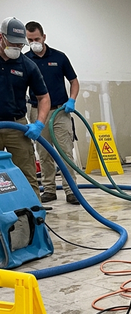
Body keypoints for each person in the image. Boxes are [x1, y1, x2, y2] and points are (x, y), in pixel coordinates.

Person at [25, 21, 80, 205]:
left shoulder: (59, 57)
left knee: (65, 151)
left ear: (44, 37)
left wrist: (72, 99)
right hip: (37, 113)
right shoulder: (25, 60)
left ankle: (71, 190)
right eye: (30, 39)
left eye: (37, 39)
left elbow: (74, 81)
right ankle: (49, 189)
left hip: (60, 112)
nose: (34, 42)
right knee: (44, 152)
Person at [0, 17, 50, 200]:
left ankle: (35, 215)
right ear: (1, 37)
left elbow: (43, 97)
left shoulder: (28, 65)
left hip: (17, 126)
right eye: (13, 42)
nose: (17, 48)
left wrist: (39, 124)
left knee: (27, 174)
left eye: (20, 45)